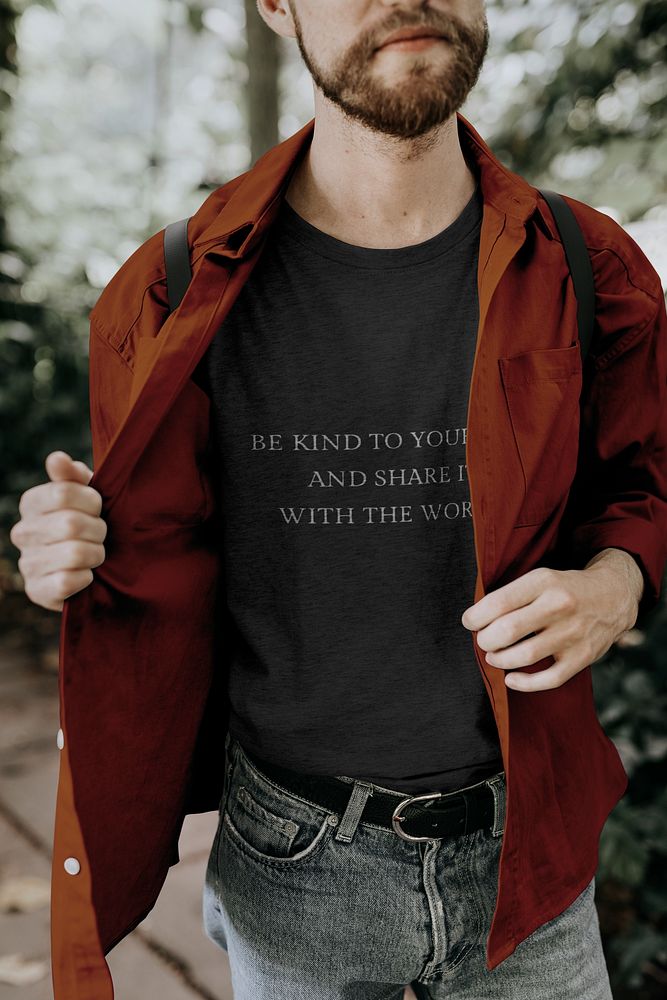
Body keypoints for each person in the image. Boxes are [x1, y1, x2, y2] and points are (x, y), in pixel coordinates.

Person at [11, 2, 667, 998]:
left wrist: (617, 580)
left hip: (528, 864)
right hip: (294, 866)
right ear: (275, 5)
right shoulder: (171, 291)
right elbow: (146, 552)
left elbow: (646, 480)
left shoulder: (586, 265)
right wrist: (74, 553)